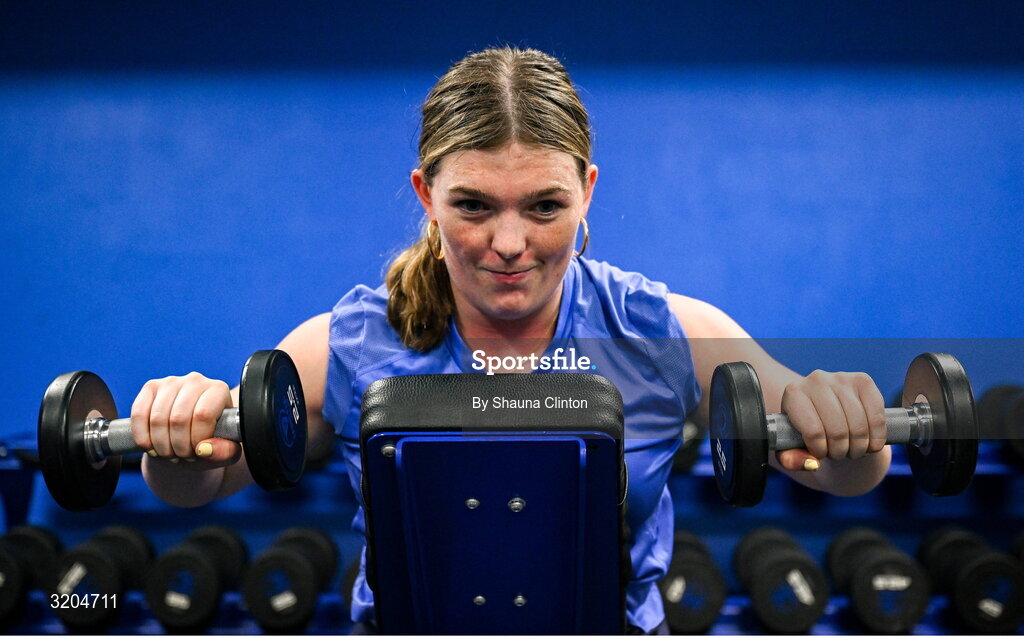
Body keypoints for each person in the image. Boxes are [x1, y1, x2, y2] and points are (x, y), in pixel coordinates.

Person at [131, 47, 891, 634]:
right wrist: (174, 430)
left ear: (587, 190)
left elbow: (847, 472)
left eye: (544, 206)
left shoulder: (666, 332)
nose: (508, 243)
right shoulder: (347, 343)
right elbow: (198, 482)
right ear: (427, 194)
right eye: (472, 204)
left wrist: (850, 422)